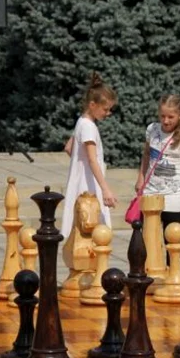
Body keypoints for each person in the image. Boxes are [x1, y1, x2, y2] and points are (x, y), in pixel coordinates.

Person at [61, 72, 118, 239]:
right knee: (92, 230)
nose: (108, 113)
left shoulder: (82, 121)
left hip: (81, 182)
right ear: (92, 105)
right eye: (105, 109)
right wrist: (105, 189)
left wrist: (79, 165)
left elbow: (68, 147)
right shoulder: (89, 127)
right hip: (88, 186)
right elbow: (92, 159)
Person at [135, 94, 180, 237]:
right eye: (162, 116)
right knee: (147, 241)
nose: (165, 121)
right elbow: (146, 154)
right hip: (150, 193)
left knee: (172, 242)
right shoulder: (152, 130)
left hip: (174, 198)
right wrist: (141, 178)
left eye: (170, 117)